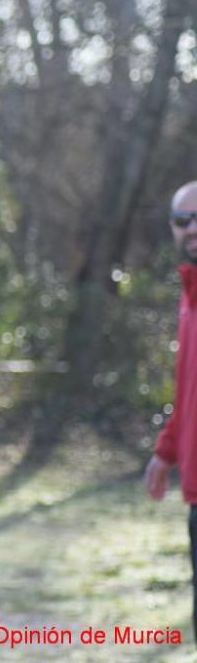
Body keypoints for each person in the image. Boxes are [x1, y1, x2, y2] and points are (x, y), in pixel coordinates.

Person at [145, 180, 197, 638]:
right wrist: (165, 453)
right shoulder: (189, 295)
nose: (194, 228)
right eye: (184, 221)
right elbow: (188, 393)